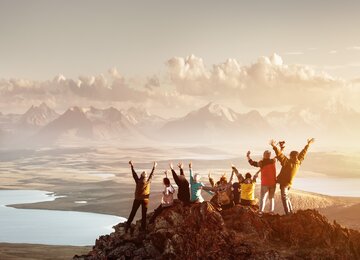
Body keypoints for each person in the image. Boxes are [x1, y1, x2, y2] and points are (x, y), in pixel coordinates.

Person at [270, 138, 315, 215]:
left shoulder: (287, 163)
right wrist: (308, 145)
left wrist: (274, 146)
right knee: (286, 197)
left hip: (284, 183)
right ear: (296, 156)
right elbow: (303, 153)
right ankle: (290, 212)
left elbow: (280, 155)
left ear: (291, 156)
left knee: (284, 198)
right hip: (289, 184)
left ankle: (288, 214)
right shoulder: (298, 162)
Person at [125, 160, 157, 233]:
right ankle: (143, 228)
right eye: (145, 174)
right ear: (145, 177)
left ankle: (128, 225)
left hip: (137, 199)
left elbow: (134, 174)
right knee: (144, 214)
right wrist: (154, 167)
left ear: (141, 176)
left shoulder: (138, 181)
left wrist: (132, 165)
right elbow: (151, 175)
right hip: (145, 200)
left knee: (133, 212)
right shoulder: (148, 181)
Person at [247, 150, 276, 215]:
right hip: (273, 182)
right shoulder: (273, 161)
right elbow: (279, 155)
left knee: (263, 198)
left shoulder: (261, 163)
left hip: (265, 183)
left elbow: (252, 163)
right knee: (272, 198)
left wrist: (248, 156)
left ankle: (260, 211)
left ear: (264, 155)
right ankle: (271, 211)